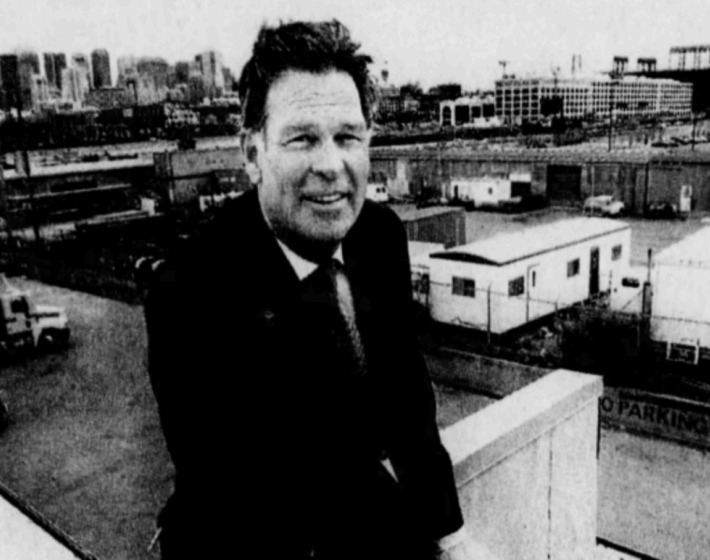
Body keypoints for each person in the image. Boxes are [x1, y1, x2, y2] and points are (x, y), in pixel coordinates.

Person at [145, 19, 494, 560]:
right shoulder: (190, 290)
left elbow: (405, 398)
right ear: (253, 153)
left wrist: (451, 534)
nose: (331, 166)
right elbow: (244, 492)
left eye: (347, 137)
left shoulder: (379, 236)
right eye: (303, 138)